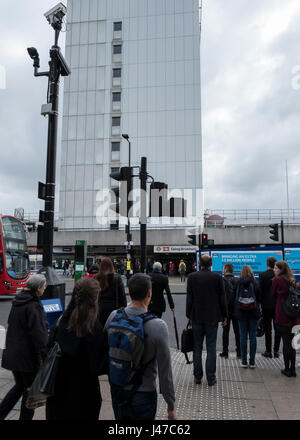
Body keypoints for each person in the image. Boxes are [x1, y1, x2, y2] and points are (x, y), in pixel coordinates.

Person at [105, 273, 176, 421]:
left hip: (118, 389)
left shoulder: (113, 316)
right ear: (149, 294)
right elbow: (165, 371)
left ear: (129, 292)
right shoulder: (158, 326)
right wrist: (171, 405)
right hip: (144, 392)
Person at [46, 278, 108, 420]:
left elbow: (48, 350)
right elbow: (98, 366)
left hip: (57, 391)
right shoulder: (93, 328)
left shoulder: (61, 322)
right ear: (95, 298)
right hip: (84, 395)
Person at [0, 274, 48, 420]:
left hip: (14, 355)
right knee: (30, 394)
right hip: (27, 358)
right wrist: (45, 356)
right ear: (38, 288)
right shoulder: (33, 305)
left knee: (19, 387)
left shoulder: (18, 301)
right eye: (44, 286)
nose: (45, 289)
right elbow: (39, 335)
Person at [186, 255, 227, 386]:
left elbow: (189, 297)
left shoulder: (192, 277)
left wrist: (188, 314)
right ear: (211, 264)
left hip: (197, 316)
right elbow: (222, 298)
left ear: (199, 263)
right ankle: (211, 377)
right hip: (212, 317)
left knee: (197, 347)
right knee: (211, 347)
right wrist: (224, 315)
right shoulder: (217, 277)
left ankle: (197, 377)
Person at [270, 261, 300, 377]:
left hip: (283, 315)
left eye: (276, 268)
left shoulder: (277, 280)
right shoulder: (292, 280)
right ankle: (292, 369)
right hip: (294, 317)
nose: (274, 270)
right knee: (292, 344)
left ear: (281, 270)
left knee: (286, 343)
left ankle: (288, 369)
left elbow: (272, 295)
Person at [234, 265, 261, 369]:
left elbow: (234, 297)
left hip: (241, 312)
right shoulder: (255, 282)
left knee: (243, 336)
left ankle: (244, 361)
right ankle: (252, 362)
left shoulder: (238, 282)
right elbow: (259, 297)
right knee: (253, 337)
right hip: (253, 312)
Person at [94, 257, 127, 327]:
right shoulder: (117, 278)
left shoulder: (96, 278)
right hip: (114, 309)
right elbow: (122, 296)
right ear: (112, 266)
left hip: (99, 309)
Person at [259, 257, 281, 358]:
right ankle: (276, 350)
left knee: (268, 329)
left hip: (266, 305)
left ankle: (268, 351)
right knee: (278, 328)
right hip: (277, 305)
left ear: (267, 263)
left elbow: (260, 291)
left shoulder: (262, 275)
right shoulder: (279, 275)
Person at [219, 263, 241, 359]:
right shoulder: (237, 280)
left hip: (226, 310)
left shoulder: (222, 280)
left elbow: (220, 297)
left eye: (223, 269)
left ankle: (225, 352)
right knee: (238, 332)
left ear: (226, 270)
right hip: (236, 310)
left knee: (225, 332)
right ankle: (239, 352)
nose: (222, 270)